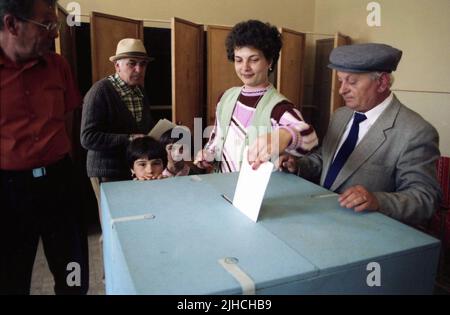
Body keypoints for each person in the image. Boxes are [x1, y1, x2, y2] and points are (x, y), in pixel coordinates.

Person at [279, 43, 441, 225]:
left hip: (369, 229)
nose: (342, 90)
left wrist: (378, 201)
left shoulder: (416, 132)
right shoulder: (341, 115)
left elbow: (426, 198)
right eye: (341, 81)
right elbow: (325, 159)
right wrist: (298, 165)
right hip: (322, 218)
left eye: (352, 81)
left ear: (382, 82)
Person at [0, 0, 88, 294]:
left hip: (59, 181)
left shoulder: (58, 66)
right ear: (12, 24)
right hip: (8, 191)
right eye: (47, 26)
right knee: (11, 278)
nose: (55, 34)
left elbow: (68, 120)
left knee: (73, 272)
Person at [194, 20, 318, 172]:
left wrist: (286, 134)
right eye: (239, 60)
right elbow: (216, 139)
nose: (245, 67)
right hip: (222, 186)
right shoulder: (225, 98)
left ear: (270, 61)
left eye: (254, 60)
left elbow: (310, 138)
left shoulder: (279, 108)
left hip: (258, 192)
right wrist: (208, 154)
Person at [80, 38, 154, 204]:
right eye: (132, 63)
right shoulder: (100, 91)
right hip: (107, 170)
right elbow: (87, 138)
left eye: (143, 64)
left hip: (133, 169)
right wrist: (128, 139)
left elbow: (143, 127)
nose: (139, 69)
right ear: (117, 66)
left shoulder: (140, 91)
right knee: (113, 220)